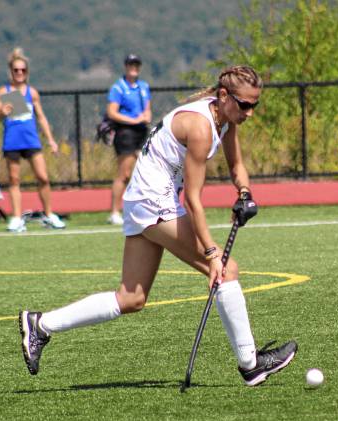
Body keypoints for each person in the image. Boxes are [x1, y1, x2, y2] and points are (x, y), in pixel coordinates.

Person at [19, 65, 298, 387]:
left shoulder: (225, 118)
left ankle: (41, 324)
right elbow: (193, 199)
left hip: (143, 200)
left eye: (255, 105)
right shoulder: (201, 128)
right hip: (154, 202)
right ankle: (250, 364)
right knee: (226, 268)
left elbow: (237, 166)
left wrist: (245, 194)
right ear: (224, 96)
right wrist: (210, 253)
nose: (250, 112)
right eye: (245, 104)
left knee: (131, 298)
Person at [0, 47, 65, 232]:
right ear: (11, 71)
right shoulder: (4, 91)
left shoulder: (32, 93)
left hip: (31, 140)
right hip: (12, 140)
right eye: (16, 70)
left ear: (27, 72)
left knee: (43, 177)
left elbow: (41, 117)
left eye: (23, 70)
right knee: (14, 179)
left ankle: (49, 215)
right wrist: (2, 112)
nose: (19, 73)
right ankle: (16, 218)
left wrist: (51, 140)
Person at [106, 53, 152, 225]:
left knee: (143, 172)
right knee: (124, 174)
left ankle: (142, 209)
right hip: (125, 132)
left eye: (136, 64)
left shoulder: (143, 86)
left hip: (141, 132)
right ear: (126, 66)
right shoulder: (118, 88)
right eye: (131, 64)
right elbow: (112, 112)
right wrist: (133, 120)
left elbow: (147, 107)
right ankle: (114, 211)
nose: (134, 67)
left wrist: (146, 116)